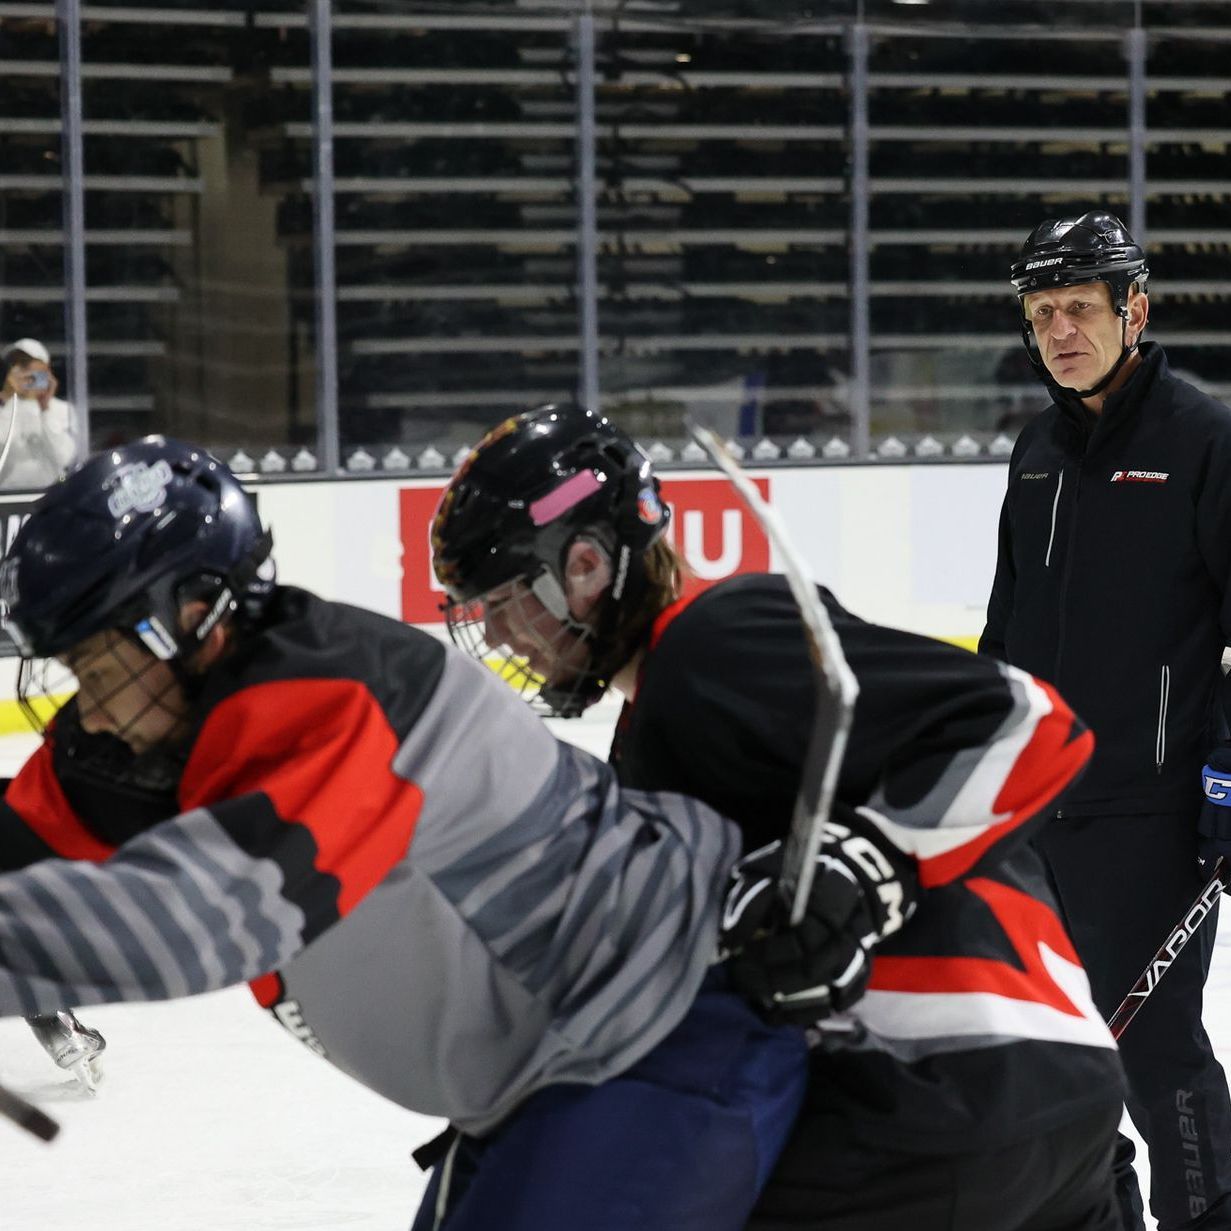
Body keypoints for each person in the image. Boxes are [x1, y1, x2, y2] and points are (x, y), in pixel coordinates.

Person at [0, 435, 811, 1230]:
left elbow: (203, 919)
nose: (91, 711)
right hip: (545, 1079)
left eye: (98, 671)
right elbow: (20, 834)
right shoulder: (164, 726)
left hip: (664, 1044)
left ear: (189, 617)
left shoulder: (336, 695)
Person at [429, 402, 1127, 1231]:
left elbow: (1031, 723)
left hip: (937, 1092)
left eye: (508, 600)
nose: (505, 634)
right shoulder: (659, 724)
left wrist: (868, 862)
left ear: (583, 564)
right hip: (1058, 1104)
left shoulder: (711, 643)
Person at [981, 208, 1231, 1231]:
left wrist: (1225, 773)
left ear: (1134, 308)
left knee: (1153, 1044)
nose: (1059, 332)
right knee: (1052, 1050)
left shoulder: (1203, 439)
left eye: (1078, 307)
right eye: (1041, 313)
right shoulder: (1036, 451)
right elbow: (1006, 629)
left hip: (1149, 810)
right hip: (1038, 812)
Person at [0, 338, 78, 489]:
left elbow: (64, 458)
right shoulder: (4, 407)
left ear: (46, 370)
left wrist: (45, 409)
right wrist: (7, 399)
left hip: (50, 498)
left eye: (26, 364)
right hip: (6, 500)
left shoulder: (63, 410)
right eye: (14, 364)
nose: (19, 371)